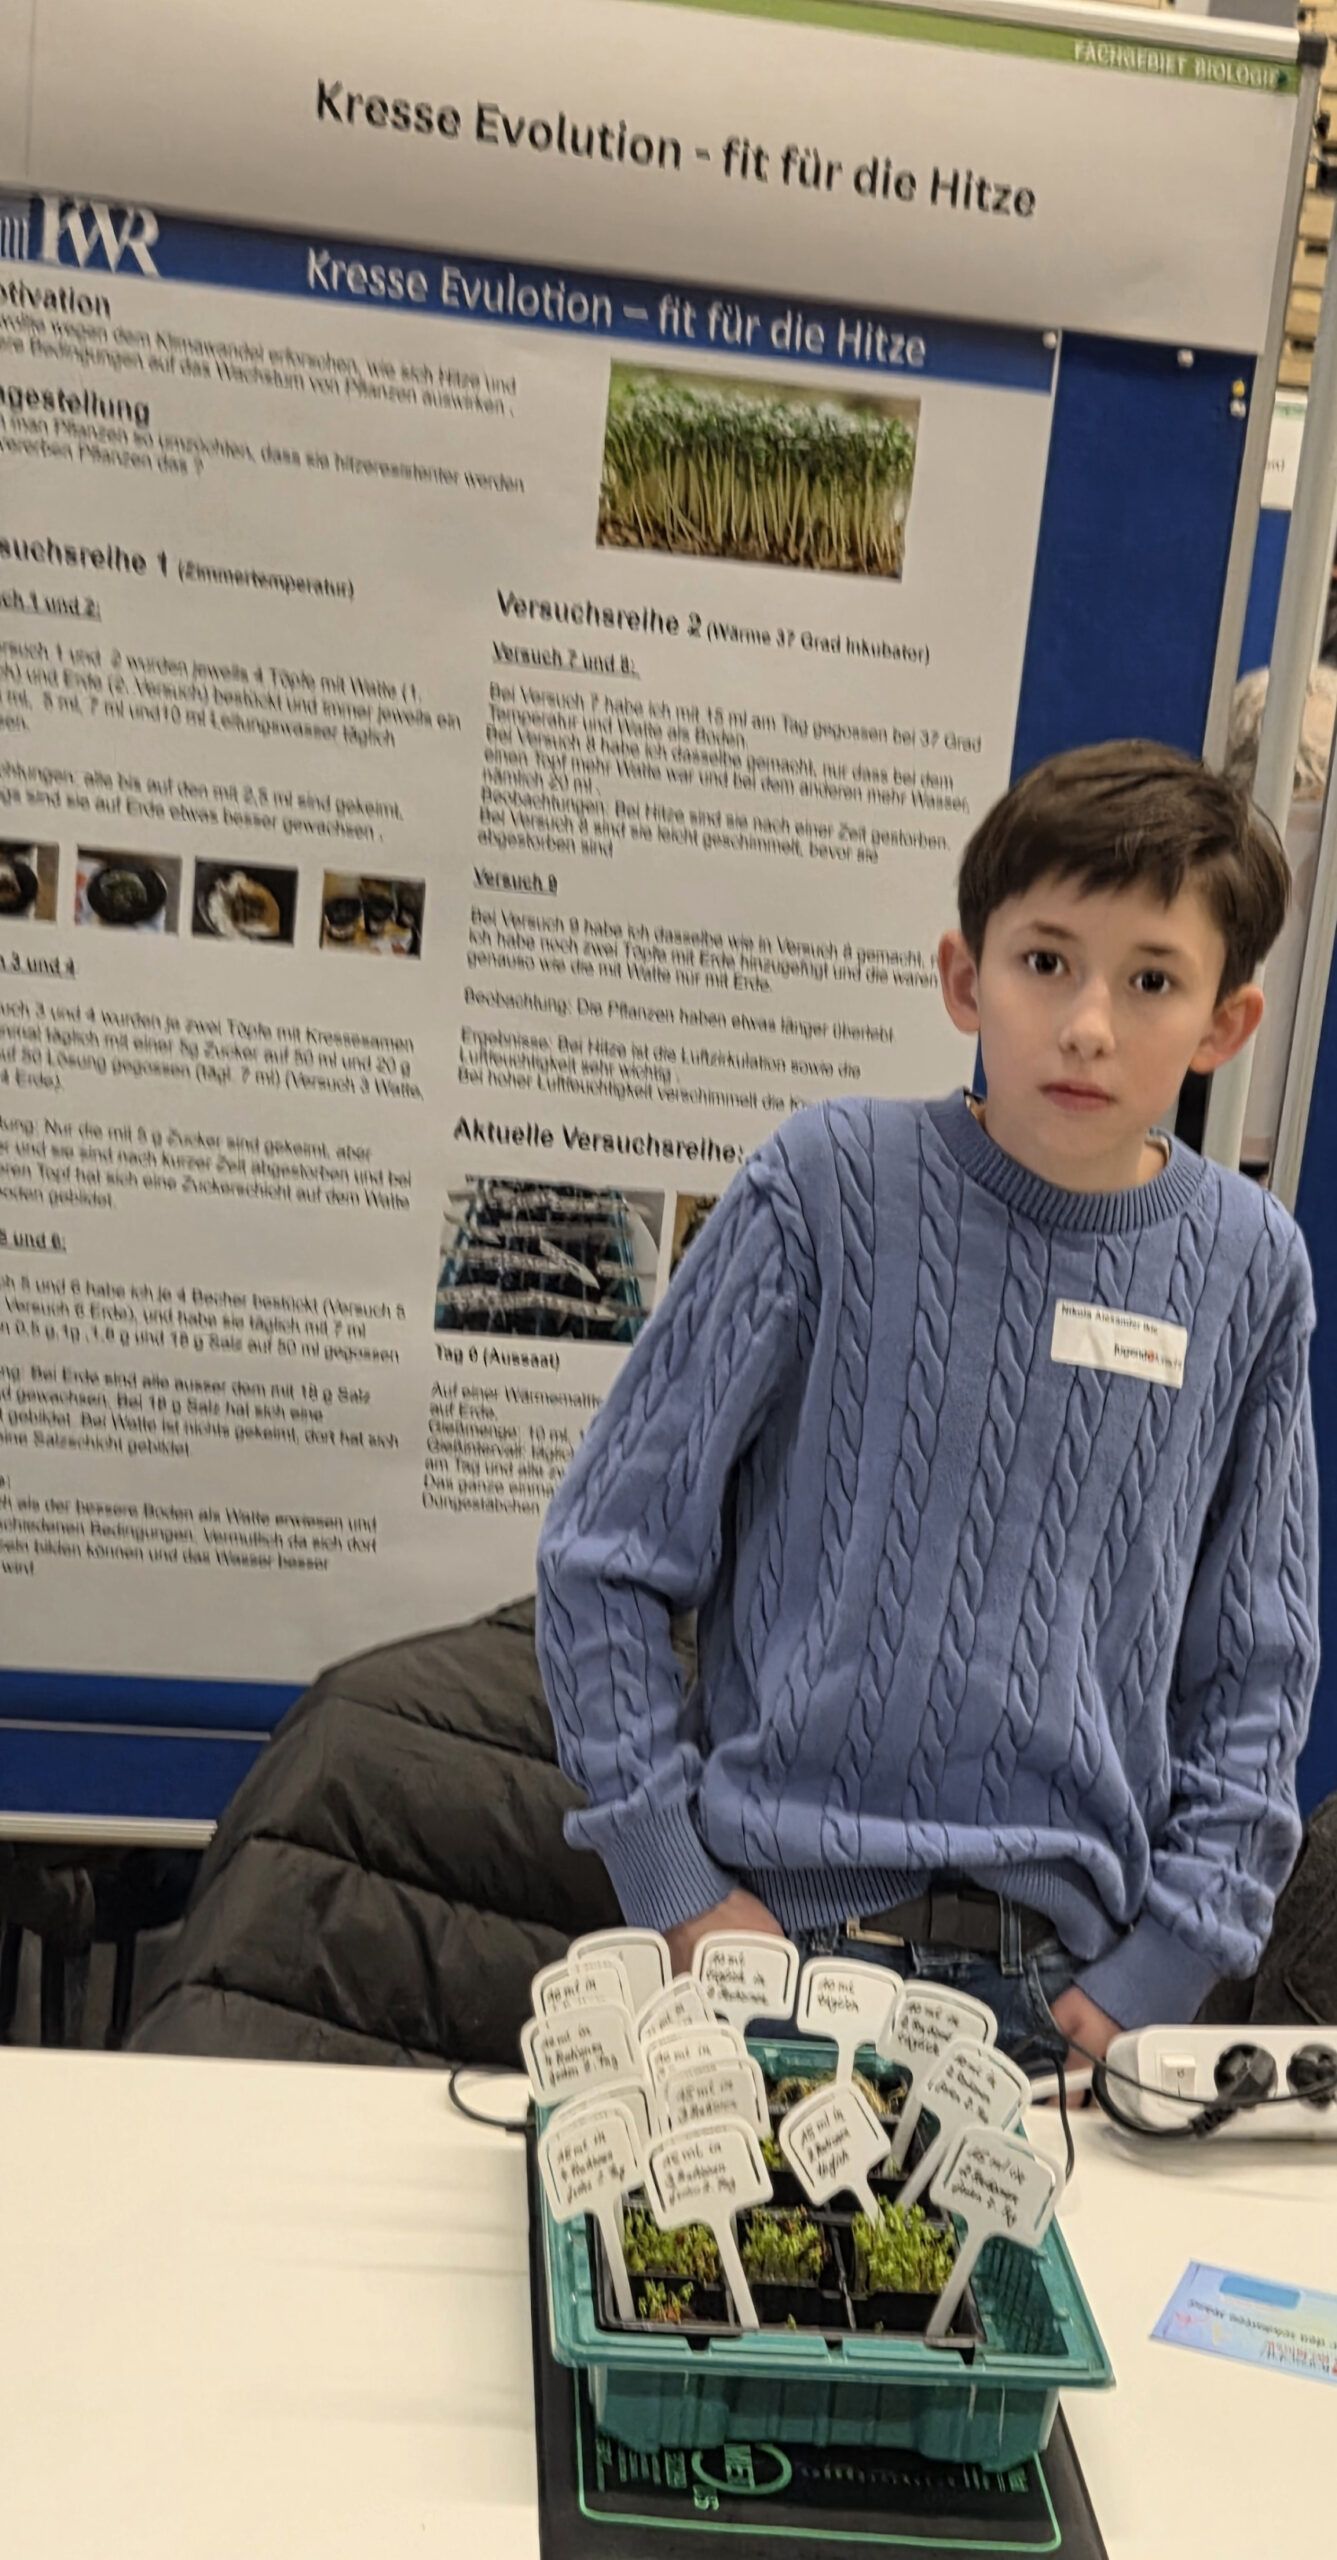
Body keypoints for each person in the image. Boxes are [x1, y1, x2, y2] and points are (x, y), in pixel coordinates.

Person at [535, 741, 1321, 2072]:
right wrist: (673, 1882)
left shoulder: (1248, 1268)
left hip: (1066, 1992)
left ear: (1223, 1025)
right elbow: (602, 1557)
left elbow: (1256, 1663)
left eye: (1150, 981)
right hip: (773, 1952)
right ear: (965, 976)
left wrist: (1169, 1960)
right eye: (1045, 962)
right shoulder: (825, 1190)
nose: (1087, 1024)